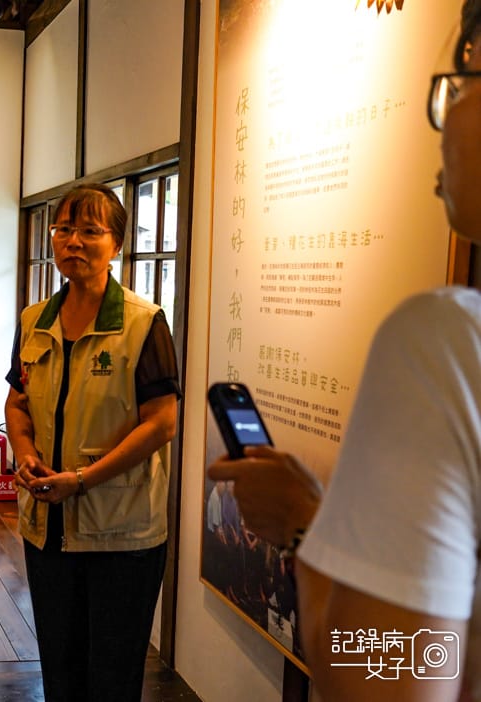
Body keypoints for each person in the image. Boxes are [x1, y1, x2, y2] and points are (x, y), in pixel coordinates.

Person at [209, 2, 481, 697]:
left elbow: (377, 677)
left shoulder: (446, 342)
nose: (445, 113)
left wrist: (306, 527)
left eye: (463, 75)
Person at [4, 183, 182, 702]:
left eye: (89, 231)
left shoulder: (144, 323)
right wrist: (27, 454)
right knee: (59, 670)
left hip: (122, 535)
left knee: (111, 677)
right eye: (63, 230)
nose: (72, 242)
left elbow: (162, 423)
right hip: (47, 529)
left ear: (117, 244)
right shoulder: (33, 320)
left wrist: (80, 480)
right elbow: (18, 401)